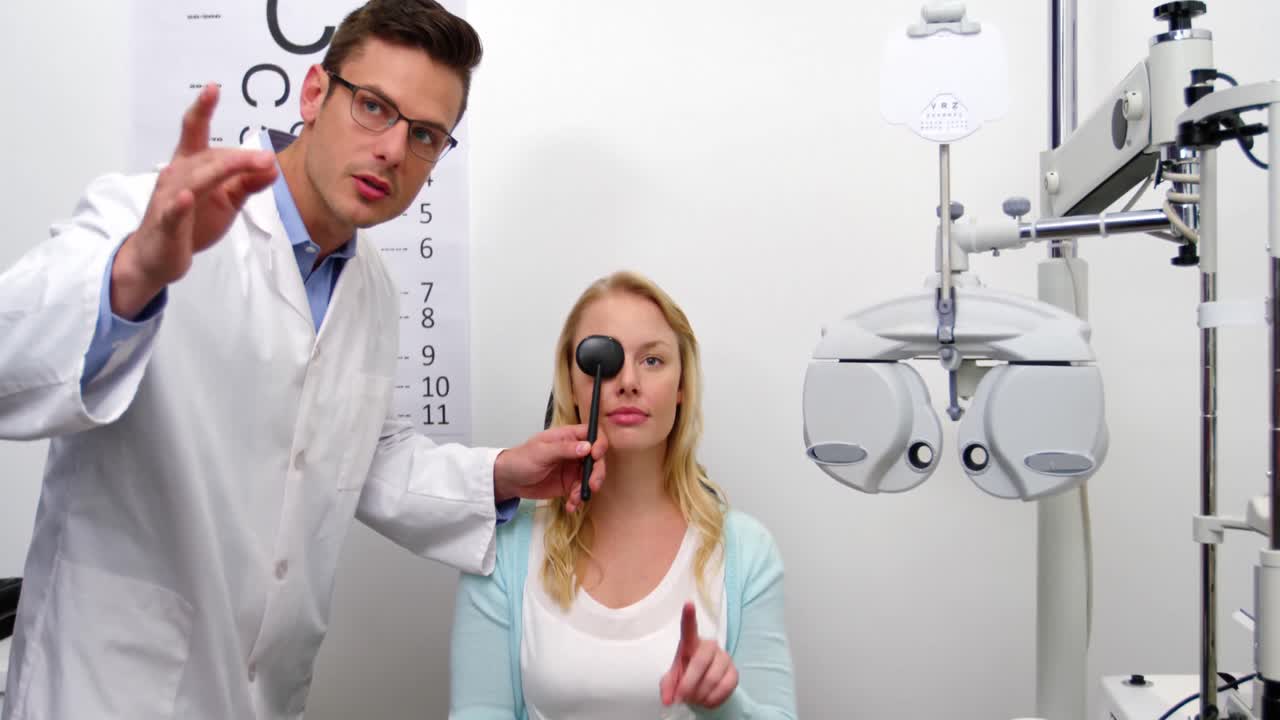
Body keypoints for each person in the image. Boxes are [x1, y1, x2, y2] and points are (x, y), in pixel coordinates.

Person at [0, 3, 607, 718]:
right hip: (107, 687)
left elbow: (362, 456)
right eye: (374, 107)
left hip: (262, 694)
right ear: (315, 93)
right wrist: (134, 275)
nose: (392, 150)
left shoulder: (373, 289)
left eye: (424, 135)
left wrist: (503, 473)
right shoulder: (152, 214)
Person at [450, 271, 796, 719]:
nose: (628, 381)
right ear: (572, 386)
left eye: (652, 361)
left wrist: (725, 705)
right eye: (605, 361)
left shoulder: (746, 553)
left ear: (682, 388)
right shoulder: (503, 549)